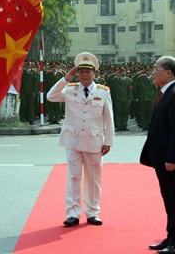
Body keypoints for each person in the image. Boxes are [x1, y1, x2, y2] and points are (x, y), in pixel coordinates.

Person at [47, 52, 114, 227]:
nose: (84, 75)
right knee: (74, 177)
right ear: (77, 73)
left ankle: (93, 212)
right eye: (81, 71)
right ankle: (73, 214)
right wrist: (65, 79)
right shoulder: (69, 90)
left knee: (94, 178)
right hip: (72, 140)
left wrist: (108, 141)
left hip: (93, 140)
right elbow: (51, 97)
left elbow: (109, 119)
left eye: (87, 71)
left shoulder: (103, 92)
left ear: (94, 74)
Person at [140, 56, 175, 254]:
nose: (153, 72)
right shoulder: (166, 92)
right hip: (162, 158)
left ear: (169, 72)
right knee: (169, 199)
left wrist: (171, 158)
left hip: (171, 161)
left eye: (156, 68)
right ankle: (171, 237)